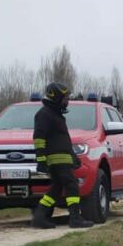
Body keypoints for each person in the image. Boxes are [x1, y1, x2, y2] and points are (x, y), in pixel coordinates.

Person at [31, 82, 92, 229]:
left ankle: (39, 217)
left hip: (63, 157)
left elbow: (63, 139)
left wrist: (73, 156)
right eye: (65, 98)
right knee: (72, 186)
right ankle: (75, 219)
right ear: (56, 97)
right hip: (56, 159)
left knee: (57, 188)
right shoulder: (44, 114)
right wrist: (41, 160)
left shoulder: (55, 114)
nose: (67, 101)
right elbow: (39, 138)